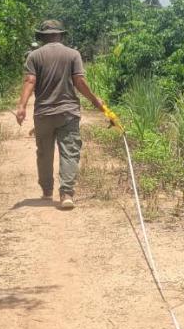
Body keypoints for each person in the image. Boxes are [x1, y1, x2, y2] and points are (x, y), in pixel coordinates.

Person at [13, 20, 119, 209]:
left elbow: (29, 81)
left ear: (43, 36)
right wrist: (96, 101)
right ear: (61, 35)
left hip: (43, 113)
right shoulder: (73, 54)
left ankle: (46, 191)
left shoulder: (34, 56)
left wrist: (21, 107)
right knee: (69, 152)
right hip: (68, 112)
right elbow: (79, 82)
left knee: (44, 153)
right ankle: (67, 193)